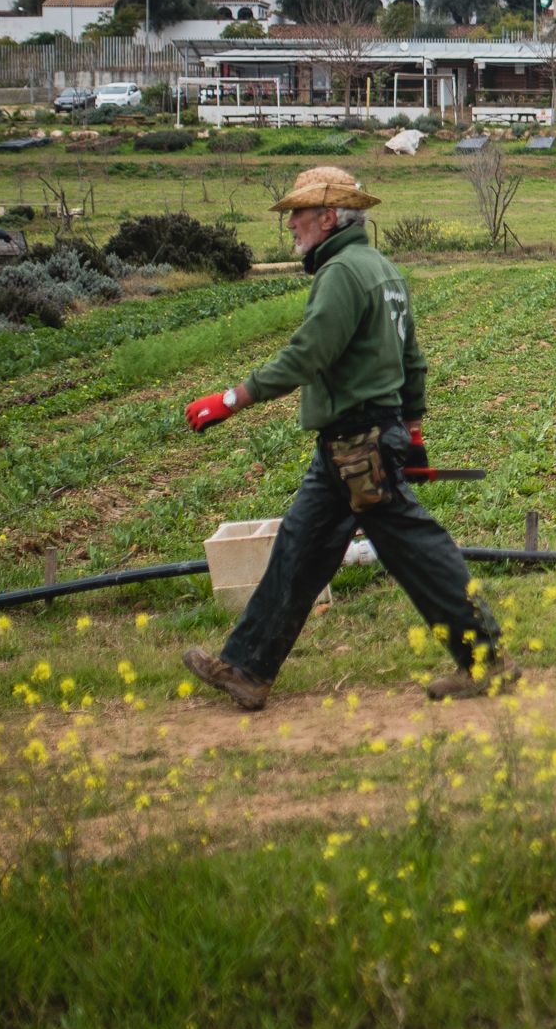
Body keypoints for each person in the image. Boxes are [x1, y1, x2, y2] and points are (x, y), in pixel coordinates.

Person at [179, 165, 508, 710]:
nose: (292, 226)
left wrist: (232, 398)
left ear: (328, 217)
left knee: (418, 551)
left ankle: (486, 661)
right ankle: (248, 669)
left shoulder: (341, 274)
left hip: (359, 444)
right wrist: (414, 431)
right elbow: (413, 363)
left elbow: (309, 354)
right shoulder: (381, 269)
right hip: (358, 442)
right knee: (299, 551)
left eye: (298, 215)